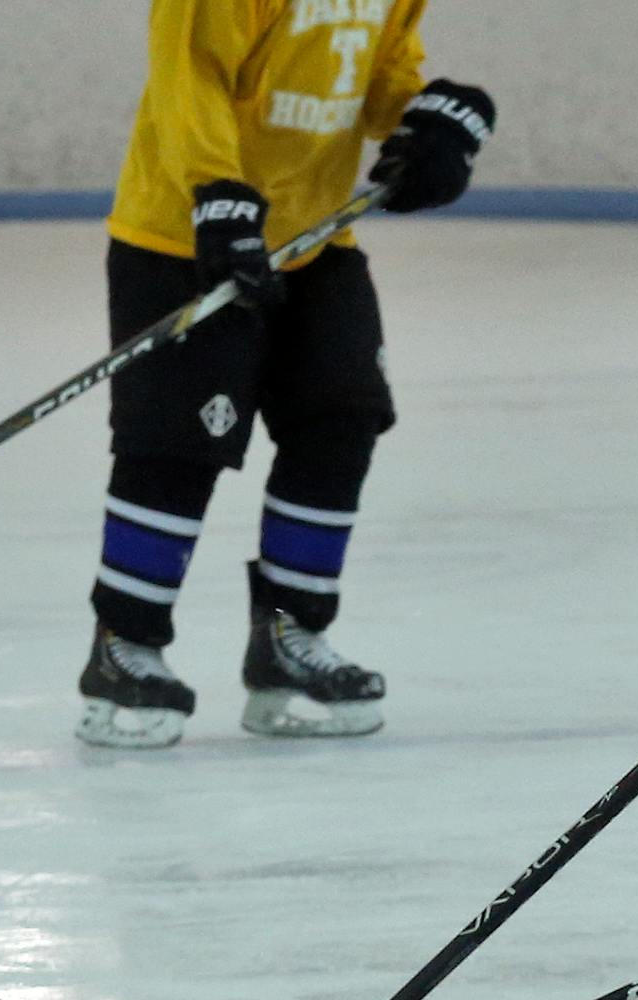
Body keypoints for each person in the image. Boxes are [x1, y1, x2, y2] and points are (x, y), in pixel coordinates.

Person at [76, 0, 495, 749]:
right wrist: (216, 189)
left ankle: (288, 636)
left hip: (312, 233)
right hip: (185, 230)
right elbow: (188, 77)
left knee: (343, 414)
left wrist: (422, 118)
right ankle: (124, 646)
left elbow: (379, 68)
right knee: (176, 446)